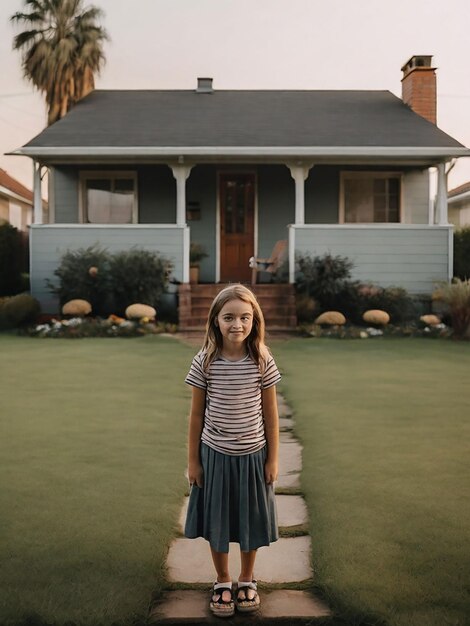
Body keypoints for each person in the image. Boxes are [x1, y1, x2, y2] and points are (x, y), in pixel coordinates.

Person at [184, 284, 281, 618]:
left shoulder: (262, 359)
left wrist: (273, 458)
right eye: (228, 317)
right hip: (214, 456)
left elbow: (271, 414)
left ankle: (247, 578)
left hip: (253, 456)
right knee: (218, 522)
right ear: (215, 321)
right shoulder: (205, 361)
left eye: (244, 317)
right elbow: (196, 416)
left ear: (255, 320)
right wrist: (193, 462)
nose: (237, 324)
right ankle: (222, 580)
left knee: (251, 521)